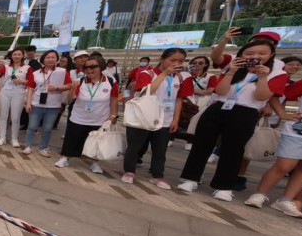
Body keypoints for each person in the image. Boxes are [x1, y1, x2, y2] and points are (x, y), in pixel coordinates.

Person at [178, 38, 287, 200]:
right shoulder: (234, 66)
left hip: (246, 112)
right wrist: (230, 72)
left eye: (261, 53)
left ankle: (223, 186)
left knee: (233, 149)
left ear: (271, 55)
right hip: (219, 107)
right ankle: (191, 178)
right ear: (242, 54)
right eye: (250, 53)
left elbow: (261, 96)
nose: (255, 56)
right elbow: (220, 91)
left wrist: (262, 77)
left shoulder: (278, 73)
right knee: (202, 144)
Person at [245, 71, 302, 217]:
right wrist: (282, 114)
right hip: (300, 129)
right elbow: (276, 95)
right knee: (285, 165)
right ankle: (260, 194)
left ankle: (286, 200)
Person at [121, 48, 187, 188]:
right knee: (135, 146)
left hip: (165, 119)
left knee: (160, 149)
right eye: (173, 60)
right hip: (143, 118)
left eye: (180, 61)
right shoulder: (148, 74)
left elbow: (179, 99)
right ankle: (129, 171)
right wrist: (164, 74)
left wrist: (175, 119)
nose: (176, 63)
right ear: (162, 59)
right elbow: (147, 91)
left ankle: (158, 175)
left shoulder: (181, 77)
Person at [54, 58, 118, 173]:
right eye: (86, 67)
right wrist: (73, 87)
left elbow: (113, 99)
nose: (89, 70)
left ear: (101, 67)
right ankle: (65, 158)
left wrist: (114, 115)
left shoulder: (110, 82)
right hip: (79, 117)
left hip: (99, 119)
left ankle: (94, 163)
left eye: (93, 67)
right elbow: (69, 99)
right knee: (72, 139)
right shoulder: (81, 81)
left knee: (96, 143)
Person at [23, 50, 70, 156]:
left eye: (53, 57)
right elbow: (30, 88)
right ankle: (28, 145)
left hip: (53, 105)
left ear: (57, 59)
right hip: (36, 103)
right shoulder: (36, 73)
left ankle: (43, 147)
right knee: (32, 126)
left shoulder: (62, 71)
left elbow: (69, 85)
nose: (50, 59)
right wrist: (28, 103)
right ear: (43, 59)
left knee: (48, 128)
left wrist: (57, 88)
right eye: (48, 57)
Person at [179, 56, 218, 149]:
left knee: (195, 120)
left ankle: (190, 141)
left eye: (200, 63)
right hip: (186, 99)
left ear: (206, 64)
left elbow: (210, 91)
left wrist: (191, 90)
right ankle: (171, 138)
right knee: (180, 117)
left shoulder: (210, 76)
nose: (196, 65)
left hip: (202, 101)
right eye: (194, 62)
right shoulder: (186, 74)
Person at [0, 48, 28, 147]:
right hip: (5, 93)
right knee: (3, 116)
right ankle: (2, 137)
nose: (16, 56)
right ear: (11, 56)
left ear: (22, 56)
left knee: (15, 117)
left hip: (19, 93)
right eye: (15, 54)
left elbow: (31, 82)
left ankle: (14, 139)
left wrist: (21, 81)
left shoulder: (27, 68)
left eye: (19, 54)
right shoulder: (6, 67)